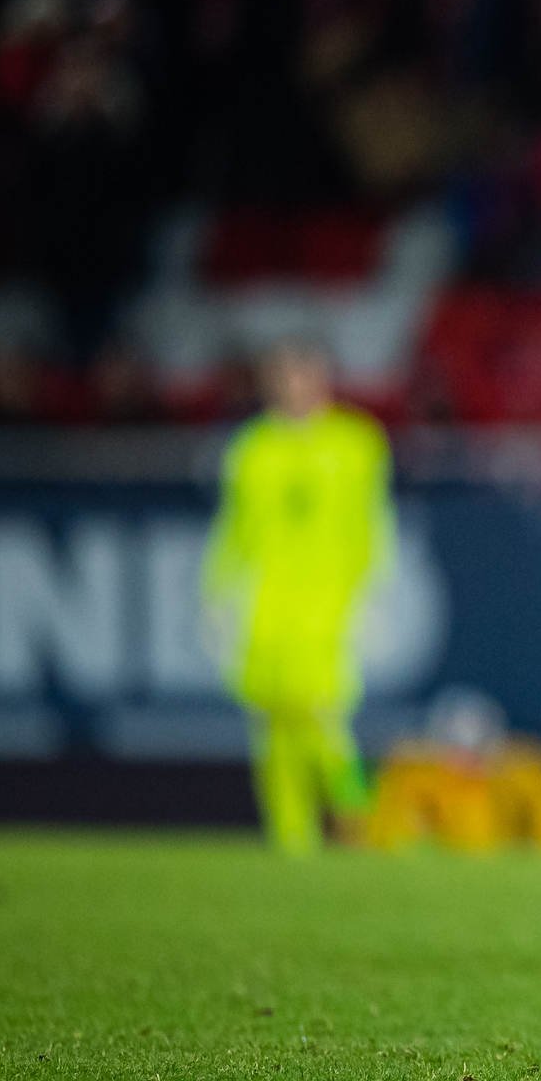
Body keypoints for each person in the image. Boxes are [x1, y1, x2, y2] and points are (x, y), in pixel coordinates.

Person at [202, 339, 395, 855]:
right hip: (267, 609)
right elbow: (234, 529)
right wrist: (216, 594)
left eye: (301, 374)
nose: (291, 386)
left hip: (328, 608)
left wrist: (374, 593)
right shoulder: (252, 449)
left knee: (321, 718)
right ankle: (290, 840)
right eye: (282, 376)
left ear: (323, 377)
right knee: (273, 728)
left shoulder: (356, 443)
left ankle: (361, 813)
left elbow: (372, 524)